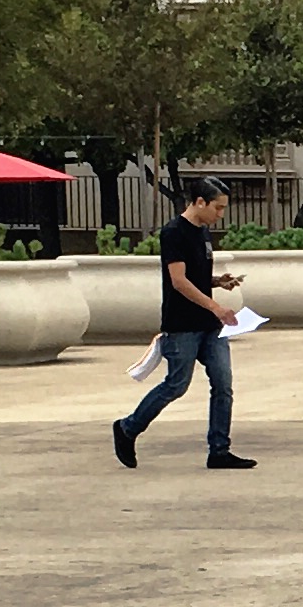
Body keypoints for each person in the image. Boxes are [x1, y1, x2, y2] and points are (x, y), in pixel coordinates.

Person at [114, 179, 249, 471]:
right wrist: (216, 306)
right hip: (183, 324)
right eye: (218, 207)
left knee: (223, 383)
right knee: (176, 385)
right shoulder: (174, 233)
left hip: (210, 325)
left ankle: (219, 450)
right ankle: (128, 427)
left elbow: (195, 275)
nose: (220, 215)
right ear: (200, 202)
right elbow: (178, 281)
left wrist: (217, 282)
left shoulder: (203, 232)